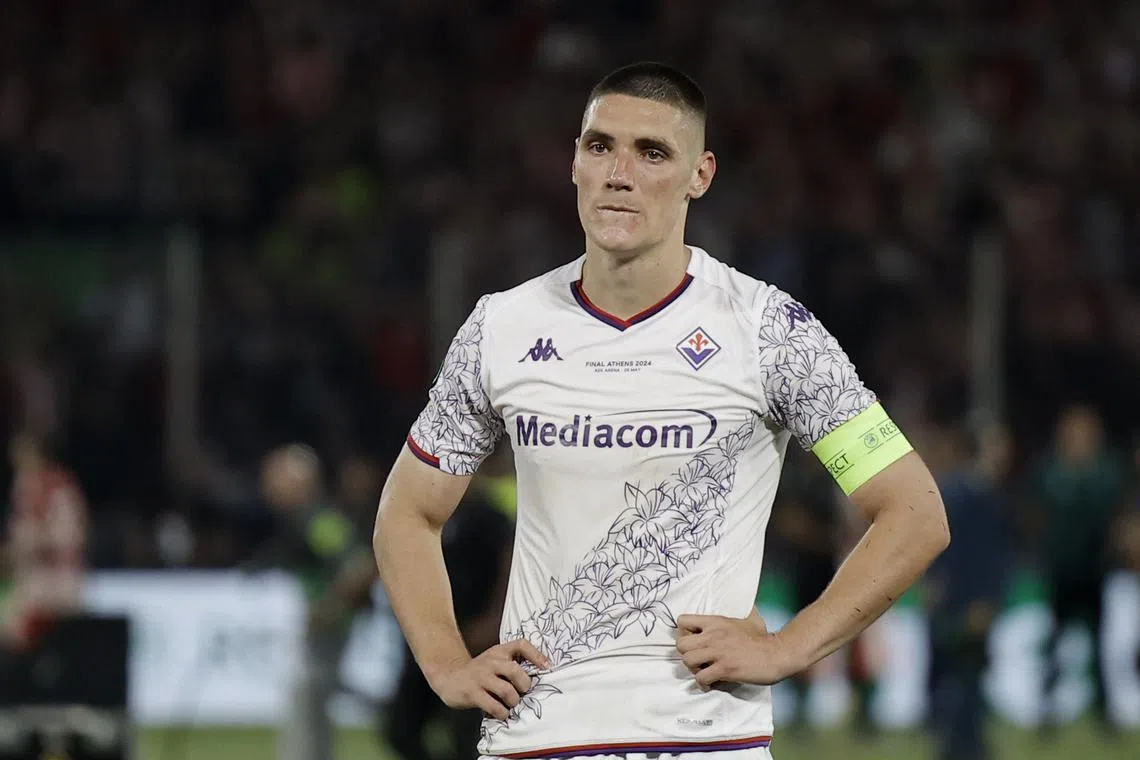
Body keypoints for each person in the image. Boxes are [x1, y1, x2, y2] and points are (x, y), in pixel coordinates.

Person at [373, 61, 950, 760]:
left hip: (703, 742)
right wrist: (445, 662)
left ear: (699, 176)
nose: (620, 172)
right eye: (599, 146)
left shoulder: (769, 330)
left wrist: (792, 647)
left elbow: (914, 511)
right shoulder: (503, 328)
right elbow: (408, 512)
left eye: (652, 153)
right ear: (574, 164)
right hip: (537, 738)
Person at [251, 444, 377, 760]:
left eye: (276, 478)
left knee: (309, 699)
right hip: (327, 625)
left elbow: (359, 567)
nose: (268, 487)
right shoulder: (306, 519)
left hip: (327, 629)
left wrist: (327, 610)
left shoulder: (317, 520)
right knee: (314, 698)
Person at [382, 482, 515, 760]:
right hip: (431, 639)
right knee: (400, 730)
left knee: (468, 735)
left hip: (474, 639)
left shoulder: (489, 517)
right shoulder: (422, 511)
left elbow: (509, 564)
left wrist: (493, 620)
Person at [1027, 404, 1128, 734]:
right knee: (1054, 643)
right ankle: (1045, 709)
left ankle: (1105, 712)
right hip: (1061, 572)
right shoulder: (1050, 471)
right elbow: (1036, 516)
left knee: (1099, 645)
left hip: (1094, 570)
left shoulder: (1105, 473)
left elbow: (1115, 517)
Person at [925, 422, 1013, 760]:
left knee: (969, 672)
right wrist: (977, 600)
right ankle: (961, 746)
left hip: (968, 599)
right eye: (997, 445)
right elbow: (964, 554)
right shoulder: (967, 494)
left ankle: (965, 742)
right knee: (962, 672)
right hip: (964, 601)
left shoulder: (979, 491)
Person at [1, 432, 87, 651]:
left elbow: (69, 537)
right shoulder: (23, 485)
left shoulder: (59, 488)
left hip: (56, 579)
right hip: (27, 579)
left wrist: (36, 541)